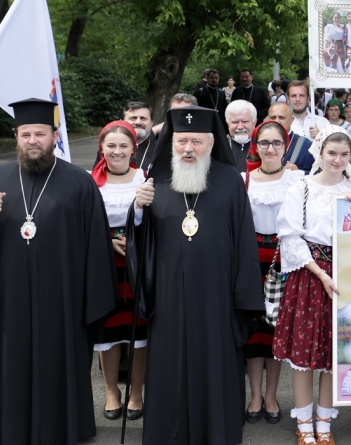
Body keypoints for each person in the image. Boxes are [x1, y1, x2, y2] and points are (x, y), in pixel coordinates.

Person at [0, 99, 118, 444]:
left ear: (54, 136)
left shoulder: (79, 183)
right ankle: (8, 427)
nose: (33, 140)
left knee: (57, 364)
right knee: (12, 364)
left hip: (62, 300)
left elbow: (97, 242)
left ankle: (61, 427)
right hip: (8, 301)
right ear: (16, 137)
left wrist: (90, 301)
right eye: (26, 134)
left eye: (40, 133)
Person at [128, 105, 264, 445]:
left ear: (212, 143)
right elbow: (143, 245)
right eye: (181, 141)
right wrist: (138, 213)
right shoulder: (156, 181)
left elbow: (245, 240)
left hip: (217, 300)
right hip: (169, 299)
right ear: (172, 143)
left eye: (197, 142)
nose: (188, 149)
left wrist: (241, 298)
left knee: (214, 368)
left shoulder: (230, 181)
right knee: (169, 370)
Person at [273, 126, 351, 445]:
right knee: (303, 352)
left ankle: (324, 424)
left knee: (332, 352)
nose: (337, 160)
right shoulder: (301, 188)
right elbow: (289, 235)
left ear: (350, 156)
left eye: (343, 154)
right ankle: (304, 424)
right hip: (310, 273)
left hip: (345, 275)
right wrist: (322, 274)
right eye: (331, 153)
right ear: (320, 153)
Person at [242, 120, 303, 425]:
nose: (270, 148)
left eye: (276, 143)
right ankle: (254, 395)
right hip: (251, 260)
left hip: (282, 260)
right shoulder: (244, 180)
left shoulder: (297, 181)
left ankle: (271, 396)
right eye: (264, 143)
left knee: (275, 330)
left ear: (285, 146)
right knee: (254, 331)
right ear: (256, 145)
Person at [89, 120, 149, 422]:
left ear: (132, 149)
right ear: (101, 148)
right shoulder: (89, 181)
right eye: (111, 145)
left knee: (137, 332)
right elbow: (83, 224)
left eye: (123, 145)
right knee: (108, 331)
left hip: (137, 265)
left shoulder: (144, 178)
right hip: (103, 264)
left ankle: (136, 392)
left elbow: (155, 221)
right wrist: (108, 241)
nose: (117, 151)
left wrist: (134, 240)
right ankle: (112, 392)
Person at [268, 102, 316, 174]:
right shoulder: (261, 143)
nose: (277, 121)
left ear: (291, 120)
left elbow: (318, 176)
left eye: (281, 117)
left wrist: (298, 172)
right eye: (273, 118)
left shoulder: (306, 146)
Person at [225, 99, 258, 173]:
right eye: (235, 122)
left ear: (254, 122)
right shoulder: (219, 147)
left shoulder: (263, 147)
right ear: (227, 123)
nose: (240, 127)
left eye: (245, 121)